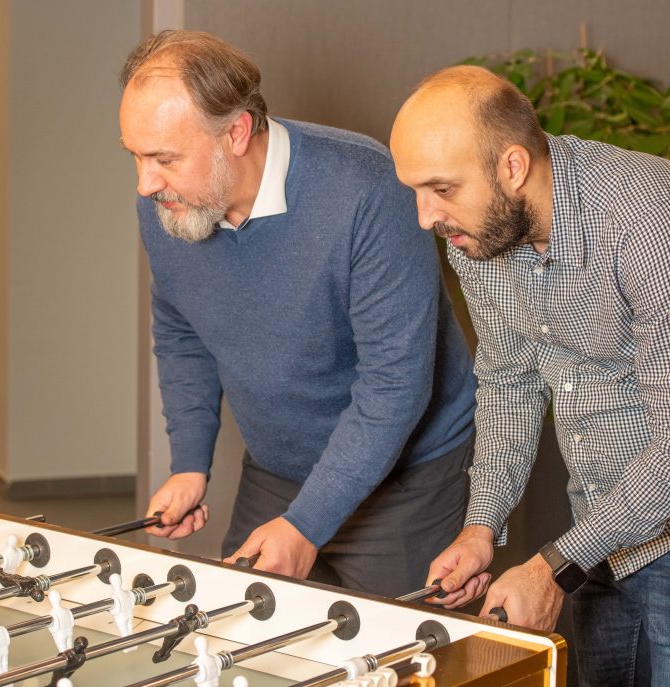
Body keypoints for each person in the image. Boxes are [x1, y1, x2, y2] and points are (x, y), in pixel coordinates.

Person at [388, 65, 670, 685]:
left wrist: (554, 567)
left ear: (513, 166)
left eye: (441, 188)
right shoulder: (476, 234)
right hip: (601, 516)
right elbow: (509, 383)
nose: (426, 217)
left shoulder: (653, 221)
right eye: (416, 191)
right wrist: (481, 526)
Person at [117, 30, 476, 597]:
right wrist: (189, 463)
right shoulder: (169, 203)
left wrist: (306, 525)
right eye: (135, 156)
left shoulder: (367, 189)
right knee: (244, 633)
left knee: (394, 649)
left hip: (406, 483)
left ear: (237, 132)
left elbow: (395, 384)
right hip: (277, 471)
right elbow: (183, 329)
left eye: (164, 158)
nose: (145, 183)